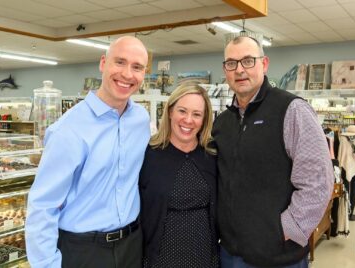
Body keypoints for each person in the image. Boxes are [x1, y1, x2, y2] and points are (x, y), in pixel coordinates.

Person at [25, 36, 150, 268]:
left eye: (137, 67)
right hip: (84, 251)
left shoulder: (141, 120)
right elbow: (43, 206)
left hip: (132, 245)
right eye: (119, 62)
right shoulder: (67, 130)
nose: (127, 74)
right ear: (103, 63)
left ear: (144, 73)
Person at [212, 36, 334, 268]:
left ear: (264, 64)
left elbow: (318, 182)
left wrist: (287, 229)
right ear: (225, 69)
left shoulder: (292, 110)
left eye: (248, 61)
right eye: (231, 63)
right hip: (230, 253)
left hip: (279, 257)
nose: (239, 70)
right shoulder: (222, 123)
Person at [139, 84, 219, 268]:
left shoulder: (212, 155)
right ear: (170, 112)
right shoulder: (149, 155)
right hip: (160, 257)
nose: (188, 120)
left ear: (204, 119)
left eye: (197, 114)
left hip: (204, 256)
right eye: (182, 111)